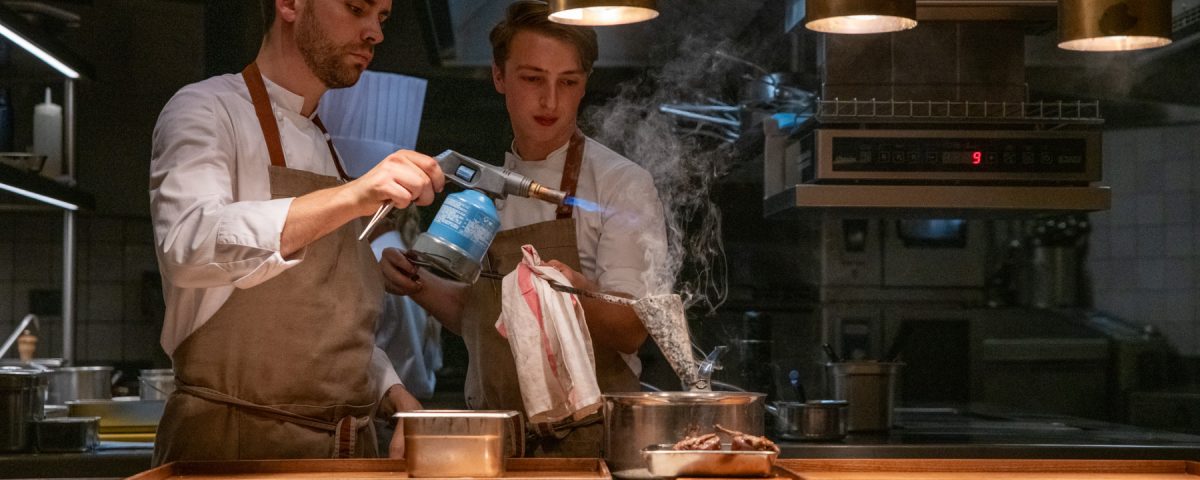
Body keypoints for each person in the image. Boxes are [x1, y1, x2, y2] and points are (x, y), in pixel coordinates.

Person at [147, 0, 443, 465]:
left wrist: (395, 395)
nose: (375, 33)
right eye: (357, 8)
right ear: (289, 4)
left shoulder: (328, 151)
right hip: (235, 449)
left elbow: (329, 329)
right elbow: (188, 245)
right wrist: (354, 196)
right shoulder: (205, 109)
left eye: (381, 17)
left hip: (346, 452)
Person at [382, 0, 668, 457]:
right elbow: (481, 321)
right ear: (499, 77)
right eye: (533, 79)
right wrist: (415, 284)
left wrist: (572, 292)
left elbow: (633, 330)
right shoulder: (490, 188)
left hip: (590, 442)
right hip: (497, 441)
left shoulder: (622, 183)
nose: (550, 100)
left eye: (568, 82)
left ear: (583, 85)